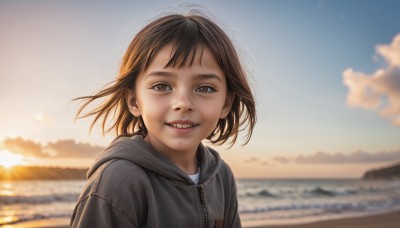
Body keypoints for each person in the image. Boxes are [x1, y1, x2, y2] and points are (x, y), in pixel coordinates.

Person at [70, 10, 256, 228]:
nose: (183, 103)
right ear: (134, 101)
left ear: (226, 103)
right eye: (162, 86)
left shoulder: (221, 176)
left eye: (205, 88)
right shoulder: (118, 183)